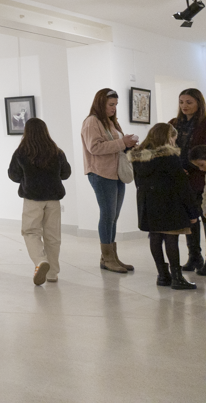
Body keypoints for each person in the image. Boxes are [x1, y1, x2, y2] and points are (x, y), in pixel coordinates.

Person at [128, 123, 198, 290]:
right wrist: (193, 212)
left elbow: (139, 183)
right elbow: (182, 187)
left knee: (155, 237)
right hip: (169, 203)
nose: (174, 142)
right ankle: (177, 278)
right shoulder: (169, 157)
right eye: (174, 138)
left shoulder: (138, 158)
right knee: (171, 238)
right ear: (168, 138)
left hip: (148, 203)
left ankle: (163, 275)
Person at [80, 88, 139, 273]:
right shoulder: (92, 122)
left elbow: (115, 146)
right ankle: (107, 258)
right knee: (107, 216)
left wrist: (128, 145)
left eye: (115, 105)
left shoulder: (111, 122)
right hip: (101, 173)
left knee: (113, 217)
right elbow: (94, 147)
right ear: (100, 104)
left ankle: (112, 256)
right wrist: (122, 143)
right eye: (111, 105)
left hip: (117, 173)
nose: (114, 108)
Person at [8, 118, 71, 285]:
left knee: (30, 232)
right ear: (45, 131)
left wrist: (27, 177)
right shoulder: (56, 151)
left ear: (26, 132)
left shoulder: (22, 152)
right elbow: (66, 173)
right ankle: (52, 274)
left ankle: (40, 261)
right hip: (53, 199)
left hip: (32, 198)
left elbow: (13, 175)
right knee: (53, 236)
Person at [169, 89, 206, 274]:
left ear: (199, 103)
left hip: (199, 176)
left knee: (204, 216)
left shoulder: (204, 124)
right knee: (190, 219)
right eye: (181, 102)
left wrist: (190, 167)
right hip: (180, 179)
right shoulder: (173, 124)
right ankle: (194, 256)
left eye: (189, 102)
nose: (184, 106)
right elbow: (166, 148)